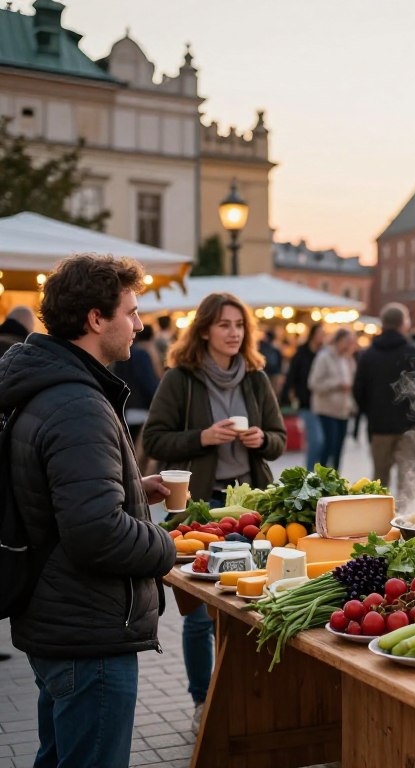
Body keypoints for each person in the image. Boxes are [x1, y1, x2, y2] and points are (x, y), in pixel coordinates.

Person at [0, 254, 176, 768]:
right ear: (96, 319)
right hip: (87, 630)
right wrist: (168, 547)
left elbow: (55, 496)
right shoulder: (76, 403)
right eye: (132, 311)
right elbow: (96, 532)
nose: (141, 325)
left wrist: (131, 488)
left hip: (59, 618)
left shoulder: (52, 386)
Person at [142, 292, 286, 733]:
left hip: (251, 508)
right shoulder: (181, 379)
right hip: (199, 510)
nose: (233, 332)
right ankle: (203, 699)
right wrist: (202, 438)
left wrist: (262, 440)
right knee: (199, 612)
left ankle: (245, 695)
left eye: (239, 325)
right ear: (204, 329)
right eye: (224, 324)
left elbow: (278, 439)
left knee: (251, 601)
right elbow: (154, 440)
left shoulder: (256, 378)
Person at [353, 303, 415, 499]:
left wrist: (370, 412)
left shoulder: (368, 355)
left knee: (379, 481)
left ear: (383, 324)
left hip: (379, 427)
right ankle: (405, 526)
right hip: (409, 428)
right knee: (408, 482)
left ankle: (379, 525)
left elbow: (358, 391)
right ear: (404, 323)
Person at [307, 327, 357, 471]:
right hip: (326, 409)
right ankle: (321, 478)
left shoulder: (348, 359)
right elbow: (313, 383)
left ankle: (335, 477)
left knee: (338, 449)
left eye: (351, 342)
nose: (349, 345)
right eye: (346, 342)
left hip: (343, 409)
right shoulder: (324, 357)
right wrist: (336, 385)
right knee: (328, 446)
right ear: (338, 340)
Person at [280, 324, 325, 469]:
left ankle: (321, 472)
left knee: (323, 441)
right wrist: (285, 398)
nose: (322, 336)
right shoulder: (301, 354)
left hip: (324, 404)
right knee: (316, 440)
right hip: (307, 403)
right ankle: (311, 472)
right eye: (320, 333)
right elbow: (291, 377)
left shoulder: (323, 354)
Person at [112, 323, 161, 443]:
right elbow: (149, 384)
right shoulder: (141, 354)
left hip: (126, 410)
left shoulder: (125, 353)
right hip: (141, 411)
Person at [258, 328, 284, 394]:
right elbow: (280, 361)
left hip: (264, 371)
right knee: (272, 391)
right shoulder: (276, 348)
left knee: (264, 390)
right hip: (274, 372)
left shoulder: (262, 346)